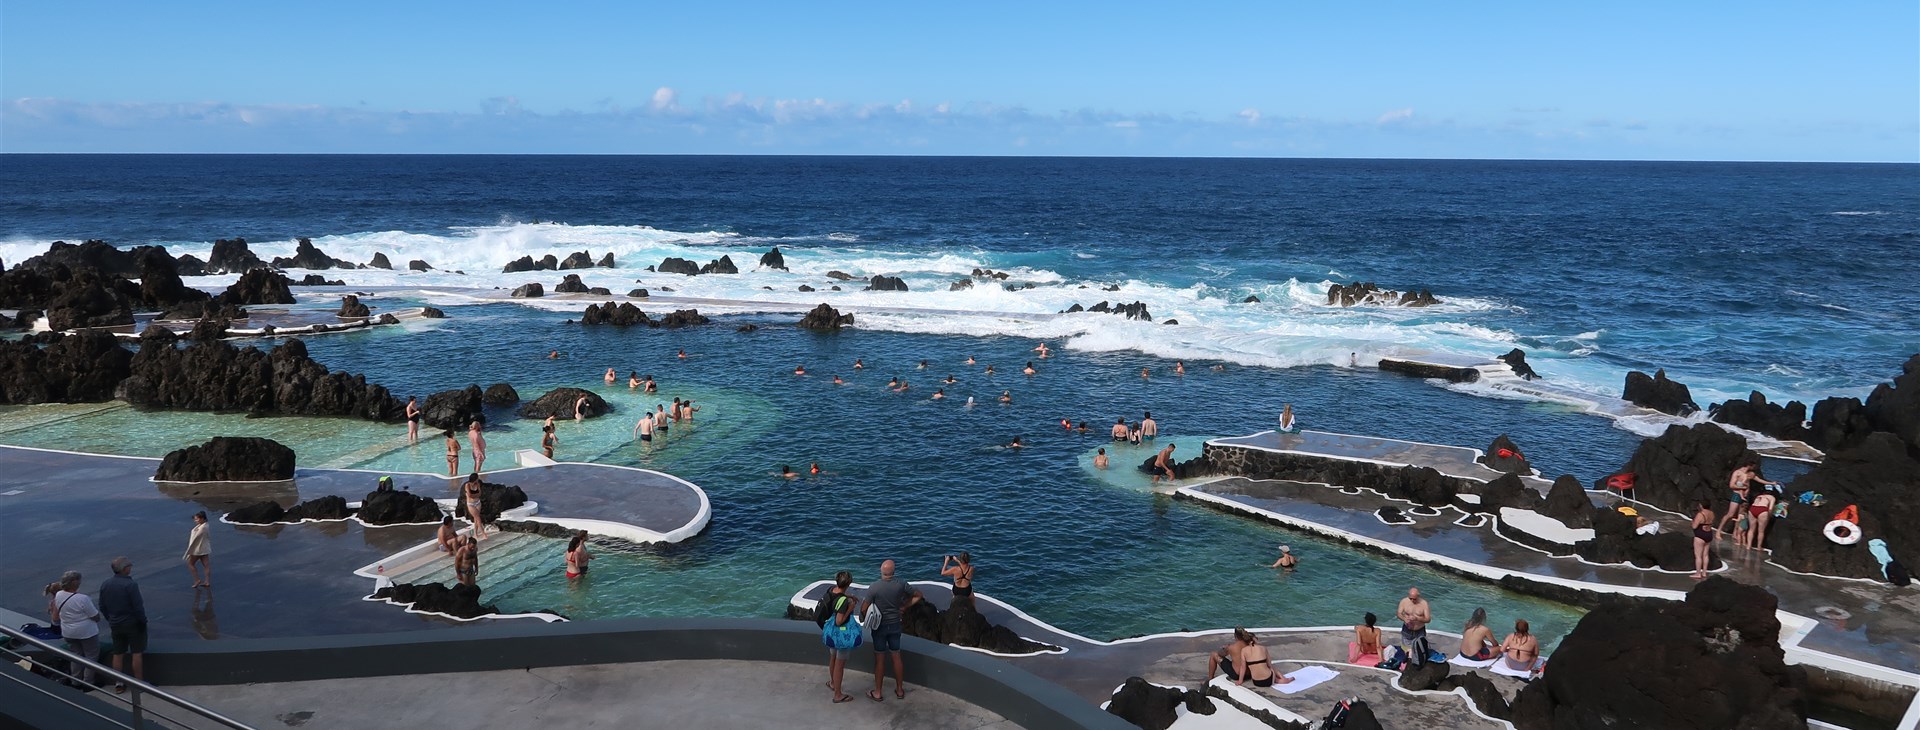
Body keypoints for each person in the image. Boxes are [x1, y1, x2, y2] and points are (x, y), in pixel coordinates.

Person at [862, 560, 922, 702]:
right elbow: (918, 595)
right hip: (895, 624)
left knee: (880, 659)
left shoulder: (874, 587)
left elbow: (864, 608)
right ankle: (900, 690)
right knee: (896, 656)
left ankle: (878, 692)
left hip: (879, 627)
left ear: (881, 571)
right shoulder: (901, 584)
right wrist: (904, 607)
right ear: (893, 572)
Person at [99, 557, 146, 692]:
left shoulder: (105, 584)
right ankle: (139, 683)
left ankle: (118, 683)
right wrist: (142, 621)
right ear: (125, 569)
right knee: (136, 653)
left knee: (118, 653)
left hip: (115, 624)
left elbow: (102, 606)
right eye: (129, 566)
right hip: (132, 624)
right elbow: (138, 607)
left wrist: (110, 619)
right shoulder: (131, 585)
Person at [53, 571, 101, 688]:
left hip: (68, 632)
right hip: (86, 632)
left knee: (76, 655)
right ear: (75, 583)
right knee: (91, 656)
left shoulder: (58, 595)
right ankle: (88, 683)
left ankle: (75, 681)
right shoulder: (83, 599)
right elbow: (95, 615)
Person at [823, 571, 858, 703]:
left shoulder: (831, 590)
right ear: (849, 583)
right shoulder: (844, 602)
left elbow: (838, 595)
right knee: (839, 664)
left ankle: (832, 683)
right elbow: (839, 621)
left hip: (831, 633)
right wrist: (850, 607)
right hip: (841, 635)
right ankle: (838, 695)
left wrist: (849, 596)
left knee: (832, 657)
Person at [1397, 587, 1432, 665]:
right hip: (1407, 630)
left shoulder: (1424, 604)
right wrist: (1405, 619)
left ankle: (1417, 665)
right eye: (1411, 599)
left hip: (1419, 631)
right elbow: (1399, 613)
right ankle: (1406, 664)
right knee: (1406, 651)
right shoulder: (1404, 601)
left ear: (1418, 596)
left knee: (1419, 651)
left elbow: (1428, 619)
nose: (1412, 601)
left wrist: (1417, 618)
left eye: (1414, 599)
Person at [185, 511, 212, 587]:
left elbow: (195, 538)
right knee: (206, 565)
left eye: (197, 519)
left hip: (198, 549)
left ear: (202, 518)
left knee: (190, 564)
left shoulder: (202, 527)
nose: (195, 521)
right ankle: (207, 581)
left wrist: (189, 551)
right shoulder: (205, 525)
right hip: (204, 549)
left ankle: (197, 580)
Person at [1691, 499, 1715, 579]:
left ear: (1701, 505)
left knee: (1698, 556)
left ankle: (1698, 573)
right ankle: (1704, 572)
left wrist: (1693, 522)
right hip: (1709, 534)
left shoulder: (1700, 514)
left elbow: (1694, 526)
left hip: (1700, 535)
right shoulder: (1712, 513)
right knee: (1705, 555)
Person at [463, 473, 488, 541]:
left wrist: (475, 495)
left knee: (476, 518)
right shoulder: (467, 485)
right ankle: (483, 533)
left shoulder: (477, 484)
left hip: (477, 503)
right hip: (471, 504)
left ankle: (475, 534)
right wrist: (475, 495)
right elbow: (470, 495)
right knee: (478, 518)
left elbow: (480, 493)